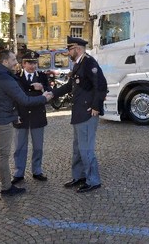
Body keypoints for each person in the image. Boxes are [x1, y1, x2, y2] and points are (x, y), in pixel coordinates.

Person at [0, 49, 53, 196]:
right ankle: (6, 187)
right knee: (4, 154)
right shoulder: (7, 77)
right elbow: (23, 99)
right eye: (13, 60)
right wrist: (44, 98)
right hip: (4, 119)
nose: (15, 63)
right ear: (5, 62)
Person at [53, 36, 108, 193]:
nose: (68, 52)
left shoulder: (89, 63)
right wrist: (52, 93)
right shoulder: (79, 64)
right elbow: (70, 85)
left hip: (87, 112)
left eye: (69, 49)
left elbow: (101, 86)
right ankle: (79, 176)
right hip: (79, 113)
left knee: (86, 149)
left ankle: (93, 180)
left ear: (77, 49)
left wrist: (96, 106)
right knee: (78, 148)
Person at [12, 50, 51, 184]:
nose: (32, 66)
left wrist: (42, 89)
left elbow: (50, 95)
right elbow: (13, 99)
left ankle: (37, 170)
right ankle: (18, 173)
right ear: (23, 64)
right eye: (29, 63)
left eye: (35, 63)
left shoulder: (42, 76)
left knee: (38, 147)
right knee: (20, 147)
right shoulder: (16, 77)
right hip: (21, 116)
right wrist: (14, 114)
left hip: (37, 116)